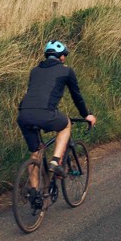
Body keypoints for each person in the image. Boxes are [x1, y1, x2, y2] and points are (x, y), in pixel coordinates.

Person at [17, 40, 95, 191]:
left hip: (24, 114)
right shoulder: (67, 71)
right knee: (66, 124)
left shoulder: (35, 70)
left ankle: (35, 194)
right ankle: (55, 161)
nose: (65, 58)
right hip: (45, 113)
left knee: (36, 154)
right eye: (64, 55)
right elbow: (76, 96)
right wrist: (87, 115)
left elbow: (38, 92)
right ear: (61, 57)